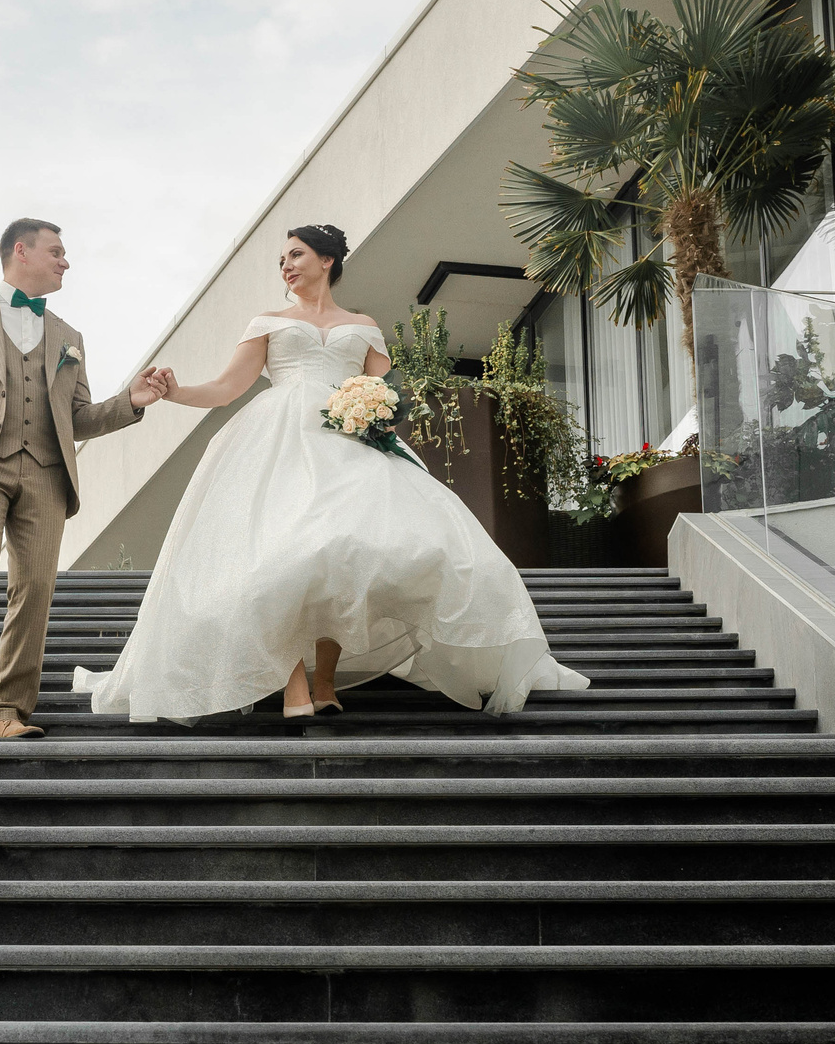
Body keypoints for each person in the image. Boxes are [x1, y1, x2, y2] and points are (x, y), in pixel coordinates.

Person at [73, 224, 590, 720]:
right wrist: (175, 390)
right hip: (278, 440)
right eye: (281, 260)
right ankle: (292, 681)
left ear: (327, 260)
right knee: (282, 556)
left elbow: (390, 395)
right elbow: (227, 388)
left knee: (343, 555)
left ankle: (325, 681)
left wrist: (378, 412)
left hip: (349, 439)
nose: (286, 266)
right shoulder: (268, 322)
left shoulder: (364, 327)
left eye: (295, 255)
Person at [0, 218, 170, 738]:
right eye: (57, 252)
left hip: (48, 472)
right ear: (21, 251)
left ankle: (7, 711)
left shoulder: (69, 337)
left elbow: (79, 417)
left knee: (36, 588)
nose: (65, 262)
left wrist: (130, 402)